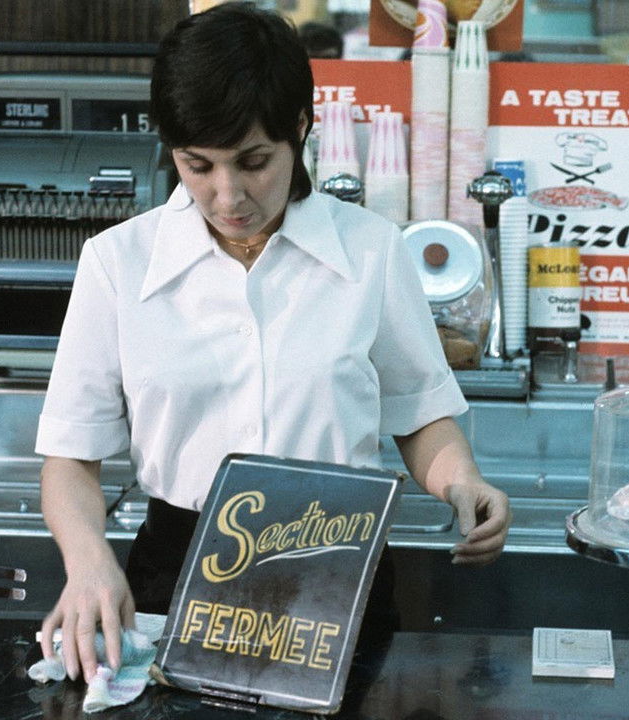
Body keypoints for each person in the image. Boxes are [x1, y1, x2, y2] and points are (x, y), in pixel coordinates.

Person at [35, 2, 511, 683]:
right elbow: (70, 459)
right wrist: (87, 562)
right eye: (197, 165)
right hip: (177, 570)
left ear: (301, 129)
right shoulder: (118, 263)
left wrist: (462, 483)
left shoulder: (371, 251)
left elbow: (420, 416)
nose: (227, 194)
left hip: (335, 571)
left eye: (253, 161)